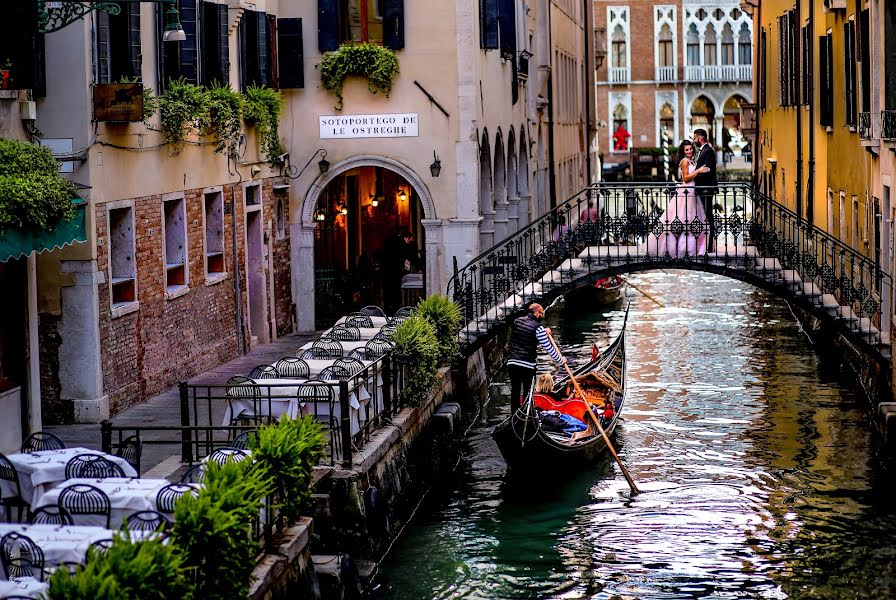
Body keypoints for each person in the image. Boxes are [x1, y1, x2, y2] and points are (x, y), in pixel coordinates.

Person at [647, 139, 709, 258]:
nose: (689, 151)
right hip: (686, 190)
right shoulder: (684, 161)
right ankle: (679, 249)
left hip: (692, 191)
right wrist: (699, 170)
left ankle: (691, 247)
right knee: (683, 219)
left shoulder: (691, 161)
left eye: (690, 149)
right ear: (683, 151)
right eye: (687, 150)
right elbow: (686, 178)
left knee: (691, 220)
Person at [506, 304, 566, 413]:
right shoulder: (538, 328)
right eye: (542, 313)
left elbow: (525, 336)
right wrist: (561, 360)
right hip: (527, 366)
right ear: (537, 313)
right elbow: (549, 348)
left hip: (512, 362)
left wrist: (543, 331)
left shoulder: (517, 321)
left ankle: (514, 417)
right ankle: (526, 415)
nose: (543, 316)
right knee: (528, 394)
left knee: (515, 391)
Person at [692, 128, 718, 251]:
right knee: (705, 215)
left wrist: (695, 175)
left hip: (706, 189)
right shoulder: (704, 151)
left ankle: (710, 245)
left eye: (694, 138)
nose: (694, 141)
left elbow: (708, 171)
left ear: (700, 138)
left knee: (708, 215)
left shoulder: (707, 151)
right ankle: (706, 243)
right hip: (703, 189)